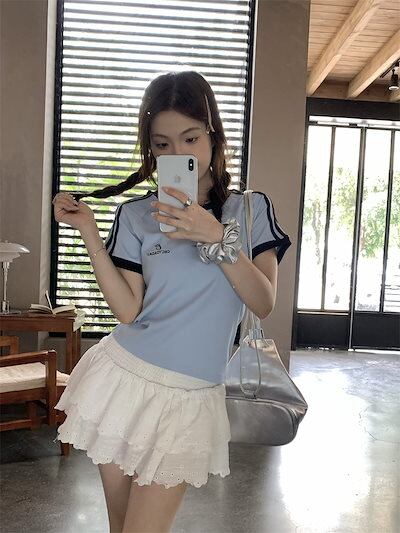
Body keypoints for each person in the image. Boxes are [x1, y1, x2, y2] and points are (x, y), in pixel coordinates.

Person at [52, 70, 291, 533]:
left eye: (190, 138)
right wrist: (89, 233)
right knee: (121, 527)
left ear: (214, 136)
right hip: (124, 378)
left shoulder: (249, 210)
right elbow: (127, 311)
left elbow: (263, 302)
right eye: (162, 144)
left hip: (190, 397)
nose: (178, 154)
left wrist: (215, 237)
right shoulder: (136, 215)